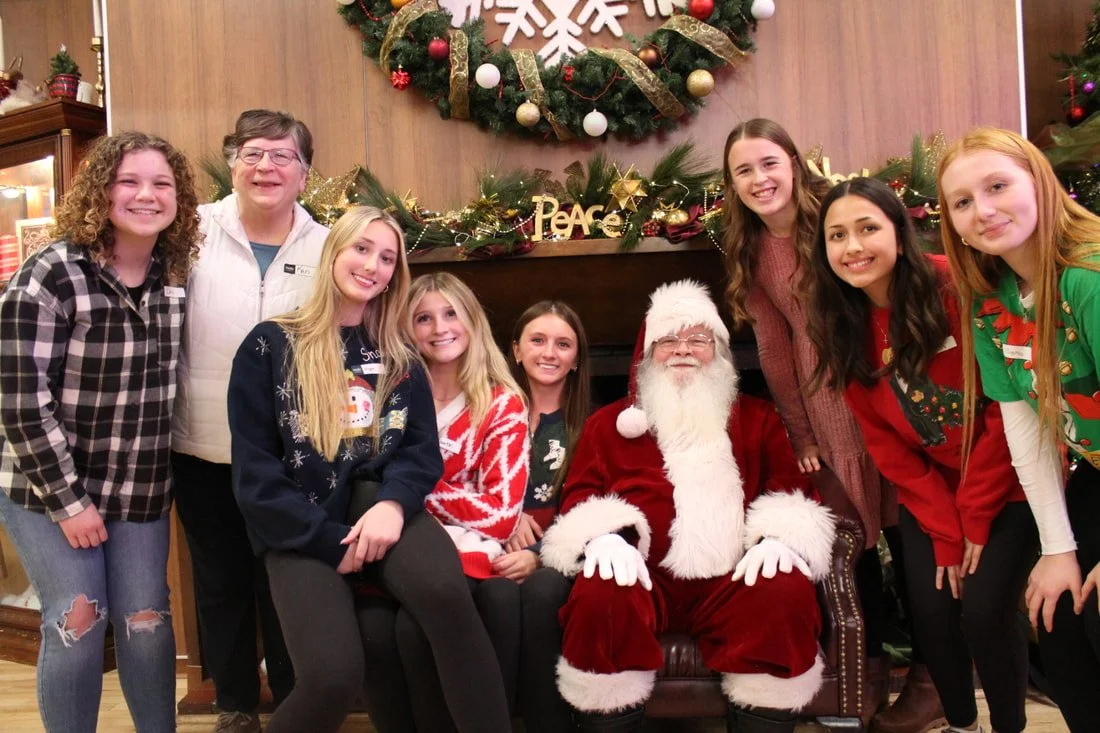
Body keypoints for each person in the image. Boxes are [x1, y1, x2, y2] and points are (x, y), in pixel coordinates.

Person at [227, 206, 512, 733]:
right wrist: (327, 543)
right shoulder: (268, 346)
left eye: (387, 257)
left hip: (383, 510)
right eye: (362, 249)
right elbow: (255, 476)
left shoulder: (399, 356)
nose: (373, 265)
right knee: (332, 677)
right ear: (334, 252)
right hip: (300, 529)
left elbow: (421, 451)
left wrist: (393, 505)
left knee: (448, 598)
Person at [540, 279, 835, 733]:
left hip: (735, 579)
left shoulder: (757, 418)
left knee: (784, 591)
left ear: (717, 350)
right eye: (668, 340)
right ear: (647, 353)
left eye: (698, 339)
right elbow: (581, 494)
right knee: (600, 596)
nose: (682, 350)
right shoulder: (608, 425)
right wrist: (601, 535)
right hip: (643, 577)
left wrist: (780, 538)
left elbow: (790, 486)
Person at [722, 118, 939, 731]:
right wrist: (801, 431)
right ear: (733, 184)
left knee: (914, 537)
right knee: (855, 547)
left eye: (769, 163)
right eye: (744, 170)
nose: (760, 179)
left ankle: (931, 679)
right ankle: (862, 671)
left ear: (793, 161)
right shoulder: (750, 249)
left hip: (882, 375)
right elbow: (775, 347)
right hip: (826, 403)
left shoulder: (840, 217)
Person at [806, 177, 1036, 733]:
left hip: (1008, 476)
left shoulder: (955, 289)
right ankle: (961, 723)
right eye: (837, 235)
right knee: (931, 611)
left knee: (982, 609)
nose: (853, 247)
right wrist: (945, 527)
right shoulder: (843, 322)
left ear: (899, 232)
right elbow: (885, 444)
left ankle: (1009, 726)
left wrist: (974, 516)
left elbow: (1004, 412)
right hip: (931, 488)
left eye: (867, 229)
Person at [0, 131, 201, 733]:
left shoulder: (179, 273)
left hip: (138, 489)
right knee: (78, 621)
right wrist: (69, 503)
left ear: (179, 199)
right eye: (129, 182)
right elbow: (18, 401)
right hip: (48, 489)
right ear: (100, 192)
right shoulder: (52, 273)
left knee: (146, 621)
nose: (147, 195)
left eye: (162, 183)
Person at [171, 109, 329, 732]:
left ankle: (296, 702)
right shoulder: (190, 230)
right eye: (252, 153)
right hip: (202, 442)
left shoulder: (327, 245)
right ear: (232, 162)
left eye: (281, 155)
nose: (266, 166)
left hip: (294, 450)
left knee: (287, 580)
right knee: (221, 580)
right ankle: (235, 704)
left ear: (305, 173)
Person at [938, 127, 1100, 732]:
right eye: (961, 202)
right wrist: (1059, 550)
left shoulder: (1087, 278)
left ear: (1039, 182)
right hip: (1091, 475)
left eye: (998, 186)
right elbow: (1026, 435)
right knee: (1057, 616)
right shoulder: (989, 299)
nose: (983, 210)